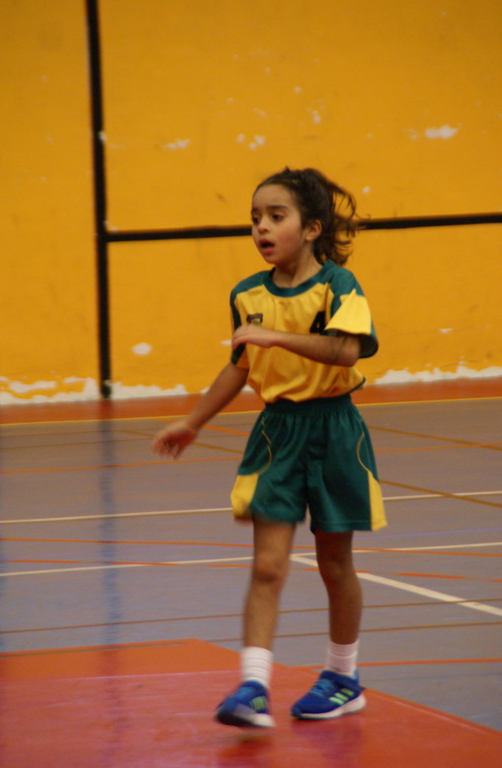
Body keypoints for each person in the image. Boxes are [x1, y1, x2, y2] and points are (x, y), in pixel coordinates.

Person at [151, 167, 386, 728]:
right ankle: (253, 687)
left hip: (335, 430)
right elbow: (240, 366)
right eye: (255, 218)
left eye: (276, 216)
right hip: (277, 435)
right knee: (267, 565)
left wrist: (276, 335)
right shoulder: (247, 294)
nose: (261, 227)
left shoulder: (339, 286)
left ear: (312, 228)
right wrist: (194, 422)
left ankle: (343, 678)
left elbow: (347, 351)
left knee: (335, 564)